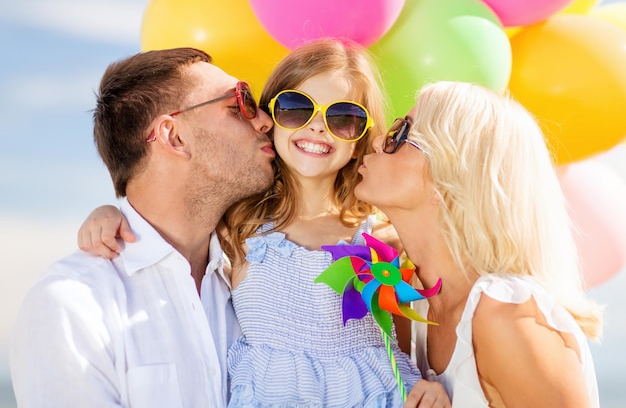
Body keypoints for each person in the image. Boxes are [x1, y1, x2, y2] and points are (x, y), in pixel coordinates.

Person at [75, 39, 451, 407]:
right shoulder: (238, 222)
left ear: (361, 137)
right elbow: (170, 211)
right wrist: (110, 213)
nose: (318, 127)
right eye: (296, 108)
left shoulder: (383, 233)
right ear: (269, 117)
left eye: (343, 117)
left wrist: (428, 386)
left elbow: (403, 346)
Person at [10, 47, 276, 408]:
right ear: (173, 136)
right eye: (239, 105)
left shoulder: (258, 285)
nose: (264, 121)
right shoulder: (72, 305)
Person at [355, 81, 603, 408]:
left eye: (402, 133)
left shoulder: (505, 314)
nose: (376, 140)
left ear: (448, 179)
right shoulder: (410, 292)